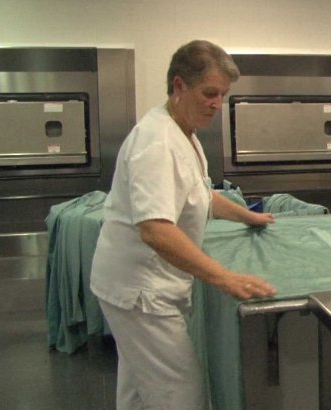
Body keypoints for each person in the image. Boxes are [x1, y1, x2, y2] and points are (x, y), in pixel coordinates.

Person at [90, 40, 277, 410]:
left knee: (138, 391)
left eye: (223, 95)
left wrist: (250, 216)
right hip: (141, 293)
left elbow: (201, 195)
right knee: (181, 395)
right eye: (209, 93)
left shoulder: (184, 133)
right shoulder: (157, 143)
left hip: (136, 287)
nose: (217, 104)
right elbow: (155, 229)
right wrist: (225, 278)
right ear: (179, 85)